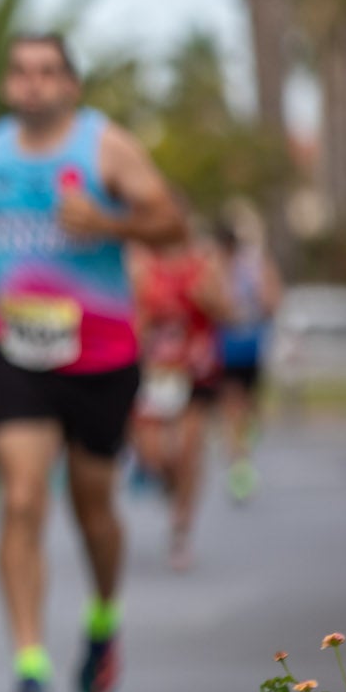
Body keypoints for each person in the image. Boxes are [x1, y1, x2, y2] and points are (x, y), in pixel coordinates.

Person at [0, 33, 183, 692]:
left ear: (71, 85)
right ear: (7, 85)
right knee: (22, 497)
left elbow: (172, 223)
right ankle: (30, 667)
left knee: (94, 513)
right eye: (21, 71)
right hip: (17, 350)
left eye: (48, 72)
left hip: (102, 356)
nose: (33, 83)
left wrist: (109, 222)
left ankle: (104, 618)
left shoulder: (105, 146)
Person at [129, 216, 232, 571]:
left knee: (188, 451)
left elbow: (231, 312)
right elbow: (127, 317)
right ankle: (170, 488)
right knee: (154, 455)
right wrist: (143, 320)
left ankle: (181, 529)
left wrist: (211, 301)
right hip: (154, 374)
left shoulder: (205, 264)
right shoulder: (140, 263)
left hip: (195, 371)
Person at [214, 210, 280, 502]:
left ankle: (242, 451)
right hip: (225, 349)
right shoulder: (215, 267)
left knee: (247, 408)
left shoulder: (253, 266)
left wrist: (252, 308)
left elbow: (273, 301)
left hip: (249, 348)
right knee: (233, 408)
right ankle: (239, 465)